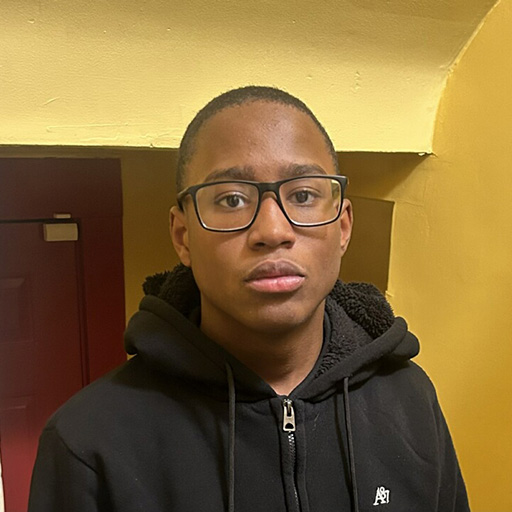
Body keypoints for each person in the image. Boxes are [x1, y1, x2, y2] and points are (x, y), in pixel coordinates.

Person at [29, 86, 470, 511]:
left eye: (302, 195)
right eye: (233, 199)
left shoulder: (409, 401)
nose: (273, 231)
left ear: (343, 227)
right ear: (183, 236)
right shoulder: (89, 442)